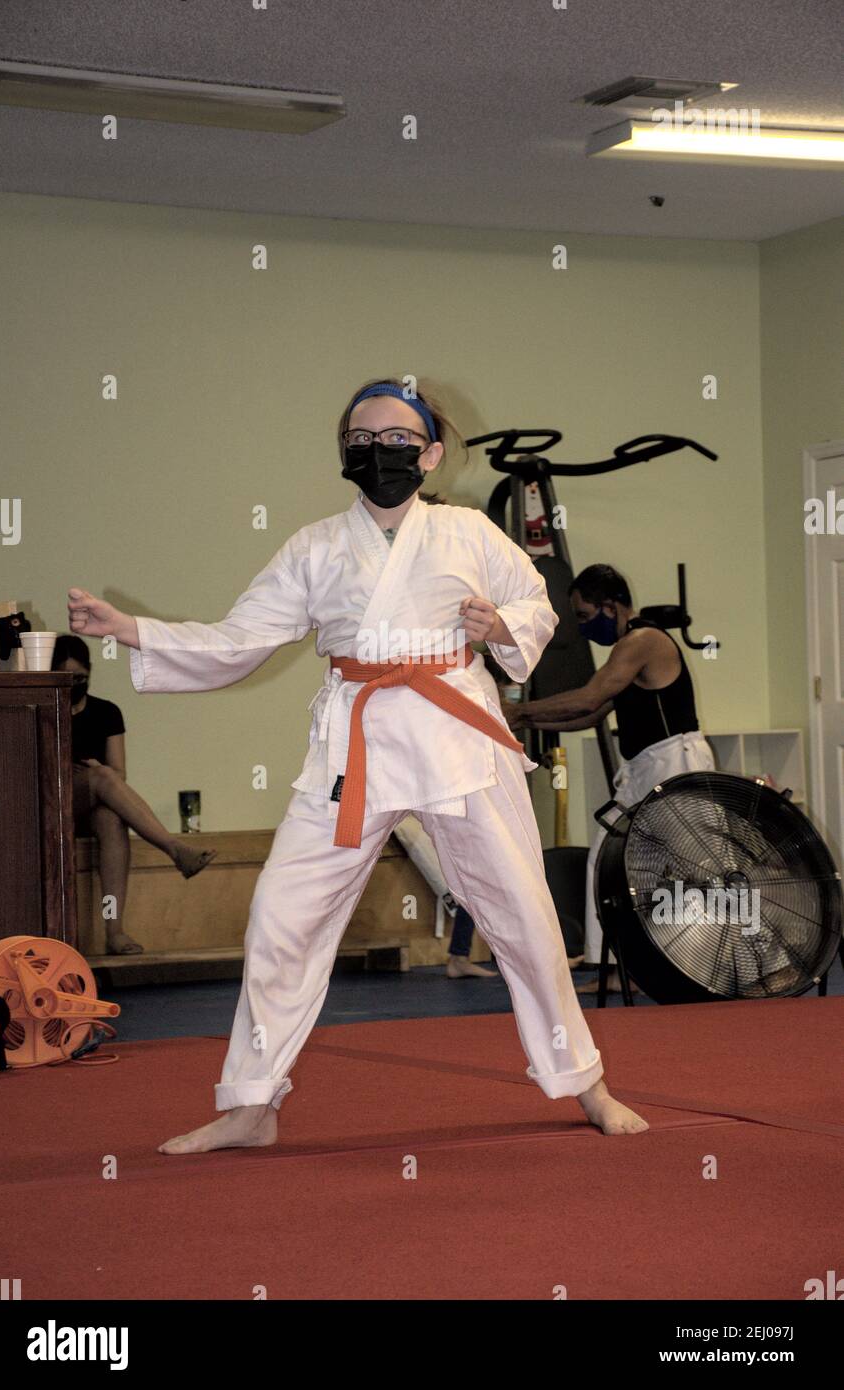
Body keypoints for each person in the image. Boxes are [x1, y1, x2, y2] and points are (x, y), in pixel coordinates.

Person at [68, 378, 648, 1151]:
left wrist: (499, 624)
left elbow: (536, 606)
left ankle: (585, 1083)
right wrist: (133, 630)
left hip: (455, 734)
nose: (379, 452)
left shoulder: (469, 533)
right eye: (362, 439)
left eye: (398, 440)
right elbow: (242, 638)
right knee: (282, 917)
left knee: (525, 917)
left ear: (431, 453)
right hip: (355, 743)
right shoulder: (314, 546)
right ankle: (252, 1103)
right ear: (343, 451)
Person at [507, 563, 715, 992]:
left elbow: (589, 696)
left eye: (584, 616)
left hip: (675, 760)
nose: (583, 628)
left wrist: (519, 712)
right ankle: (620, 968)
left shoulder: (644, 640)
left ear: (610, 605)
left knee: (691, 865)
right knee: (609, 858)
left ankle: (714, 953)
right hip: (646, 766)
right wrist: (516, 724)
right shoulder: (627, 648)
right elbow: (591, 713)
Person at [52, 634, 215, 955]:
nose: (75, 685)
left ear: (90, 673)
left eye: (80, 679)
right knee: (102, 775)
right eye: (67, 679)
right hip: (54, 805)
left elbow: (119, 774)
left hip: (93, 803)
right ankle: (174, 848)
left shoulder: (106, 712)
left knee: (112, 818)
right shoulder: (43, 713)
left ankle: (114, 931)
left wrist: (97, 774)